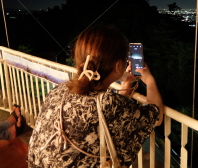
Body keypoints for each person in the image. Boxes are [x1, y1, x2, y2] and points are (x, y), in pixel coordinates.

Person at [27, 25, 164, 168]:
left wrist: (127, 83)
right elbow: (156, 116)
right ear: (118, 66)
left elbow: (106, 112)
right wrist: (149, 80)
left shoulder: (60, 90)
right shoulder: (111, 104)